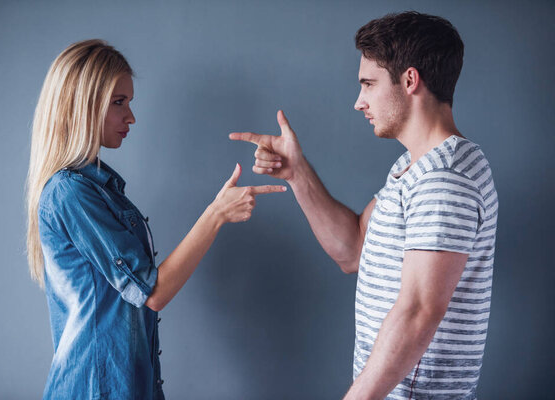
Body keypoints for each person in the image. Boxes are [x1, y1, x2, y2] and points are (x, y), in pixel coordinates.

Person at [230, 11, 498, 400]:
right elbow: (352, 250)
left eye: (369, 85)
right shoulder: (412, 167)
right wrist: (297, 173)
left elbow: (419, 311)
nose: (359, 102)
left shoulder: (446, 178)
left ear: (409, 80)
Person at [25, 39, 286, 400]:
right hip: (94, 389)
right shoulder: (71, 193)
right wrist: (216, 214)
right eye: (119, 102)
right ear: (80, 105)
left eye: (129, 102)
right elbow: (153, 293)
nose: (130, 116)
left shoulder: (99, 188)